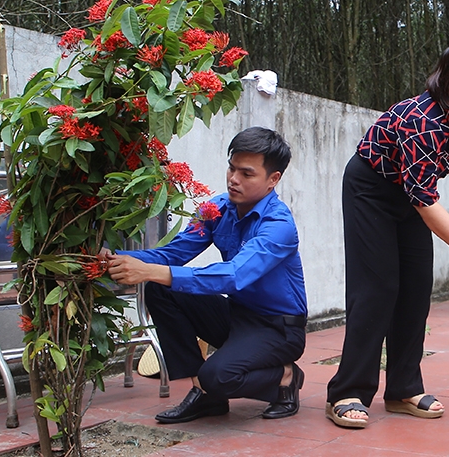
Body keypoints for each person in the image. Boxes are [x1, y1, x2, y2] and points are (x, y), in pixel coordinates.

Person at [325, 39, 449, 428]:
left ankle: (403, 388)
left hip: (414, 196)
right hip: (372, 189)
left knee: (416, 287)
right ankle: (347, 390)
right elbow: (423, 199)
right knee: (377, 287)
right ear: (446, 80)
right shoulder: (422, 119)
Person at [107, 127, 308, 424]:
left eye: (247, 174)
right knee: (161, 289)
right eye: (231, 168)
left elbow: (234, 275)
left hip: (278, 328)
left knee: (219, 376)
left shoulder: (278, 225)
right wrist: (120, 259)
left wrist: (151, 271)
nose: (233, 179)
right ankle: (205, 393)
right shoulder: (217, 209)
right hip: (236, 315)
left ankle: (285, 374)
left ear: (272, 180)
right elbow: (172, 254)